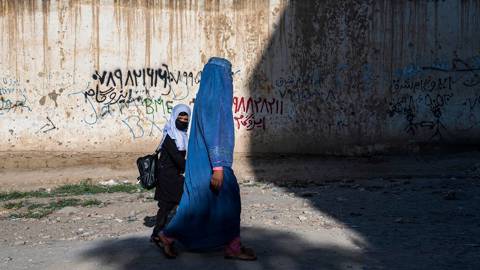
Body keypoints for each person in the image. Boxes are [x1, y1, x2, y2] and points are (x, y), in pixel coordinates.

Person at [157, 57, 256, 260]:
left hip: (205, 164)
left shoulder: (205, 97)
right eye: (226, 75)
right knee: (227, 202)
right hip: (213, 164)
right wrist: (218, 167)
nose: (229, 80)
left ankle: (168, 236)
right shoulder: (213, 100)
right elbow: (213, 133)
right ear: (218, 78)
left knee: (200, 205)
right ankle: (232, 246)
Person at [150, 104, 191, 247]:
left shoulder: (182, 135)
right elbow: (178, 159)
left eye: (186, 118)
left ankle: (157, 234)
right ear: (174, 116)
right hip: (168, 176)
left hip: (173, 175)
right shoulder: (170, 136)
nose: (183, 120)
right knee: (181, 202)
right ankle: (170, 234)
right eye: (180, 116)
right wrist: (191, 169)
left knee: (168, 205)